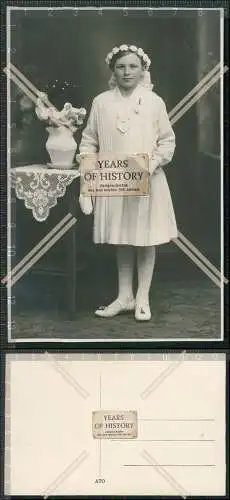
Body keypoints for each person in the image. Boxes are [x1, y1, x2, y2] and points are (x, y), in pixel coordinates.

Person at [78, 44, 177, 321]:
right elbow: (89, 141)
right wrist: (89, 180)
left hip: (147, 178)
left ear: (143, 69)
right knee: (122, 236)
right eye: (121, 66)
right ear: (113, 70)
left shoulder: (154, 102)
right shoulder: (101, 103)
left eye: (133, 66)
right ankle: (124, 295)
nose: (127, 71)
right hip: (115, 180)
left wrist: (150, 165)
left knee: (145, 237)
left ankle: (142, 297)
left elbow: (167, 141)